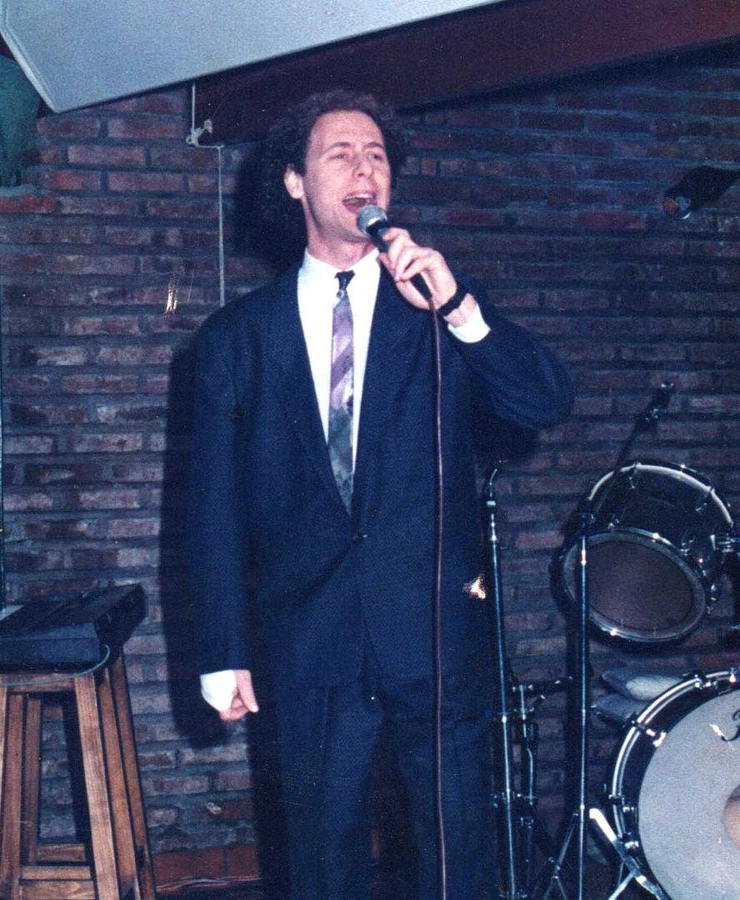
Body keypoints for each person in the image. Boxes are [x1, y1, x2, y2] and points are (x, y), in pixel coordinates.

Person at [188, 90, 572, 899]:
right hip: (309, 636)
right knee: (321, 857)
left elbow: (541, 401)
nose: (364, 170)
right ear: (295, 182)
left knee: (456, 855)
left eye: (377, 156)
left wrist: (459, 308)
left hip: (431, 631)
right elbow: (213, 510)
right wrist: (222, 648)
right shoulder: (235, 339)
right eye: (340, 155)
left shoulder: (435, 306)